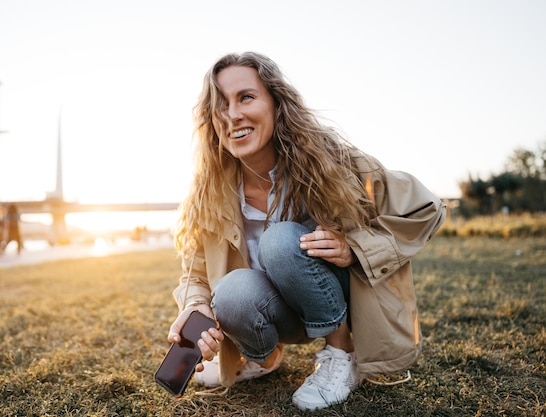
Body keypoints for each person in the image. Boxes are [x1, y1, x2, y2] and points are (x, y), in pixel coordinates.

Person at [166, 52, 446, 411]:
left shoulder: (334, 162)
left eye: (246, 97)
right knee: (231, 291)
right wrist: (194, 306)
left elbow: (427, 209)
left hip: (336, 299)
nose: (232, 114)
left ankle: (341, 354)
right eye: (220, 104)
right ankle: (263, 359)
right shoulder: (211, 188)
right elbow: (196, 267)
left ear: (276, 103)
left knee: (281, 242)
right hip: (276, 310)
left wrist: (355, 248)